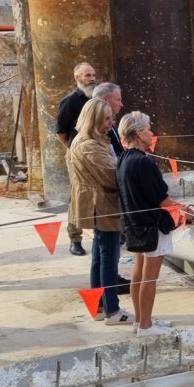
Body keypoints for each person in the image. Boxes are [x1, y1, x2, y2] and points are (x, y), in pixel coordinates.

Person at [67, 98, 132, 326]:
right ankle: (112, 310)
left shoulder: (93, 140)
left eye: (111, 118)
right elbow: (111, 175)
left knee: (100, 256)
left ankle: (99, 306)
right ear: (93, 119)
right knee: (108, 259)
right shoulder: (88, 145)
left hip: (100, 203)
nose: (110, 122)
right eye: (106, 118)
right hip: (101, 205)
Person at [116, 112, 179, 336]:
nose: (152, 133)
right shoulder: (143, 162)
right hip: (151, 225)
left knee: (139, 274)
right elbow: (161, 199)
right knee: (149, 277)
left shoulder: (124, 158)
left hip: (134, 224)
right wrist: (184, 210)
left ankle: (142, 321)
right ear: (138, 133)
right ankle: (145, 326)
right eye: (149, 129)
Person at [56, 62, 97, 255]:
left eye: (93, 75)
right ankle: (75, 237)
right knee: (78, 195)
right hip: (77, 155)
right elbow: (61, 132)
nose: (92, 78)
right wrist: (73, 150)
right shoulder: (70, 101)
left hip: (98, 153)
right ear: (77, 78)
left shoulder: (97, 98)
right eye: (87, 75)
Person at [90, 82, 124, 156]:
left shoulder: (109, 123)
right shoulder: (97, 128)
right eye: (118, 100)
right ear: (104, 100)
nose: (121, 104)